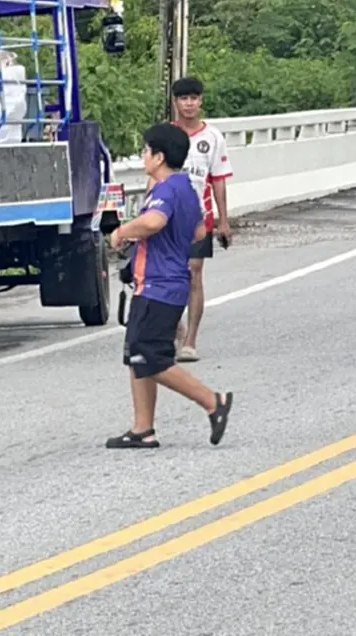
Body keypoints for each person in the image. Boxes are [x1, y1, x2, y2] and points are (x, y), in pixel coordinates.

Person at [106, 123, 233, 449]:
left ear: (159, 157)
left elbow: (153, 222)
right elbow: (199, 233)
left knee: (150, 357)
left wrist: (123, 233)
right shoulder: (187, 190)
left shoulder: (165, 191)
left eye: (146, 151)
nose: (143, 157)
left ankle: (211, 401)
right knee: (136, 353)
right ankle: (142, 429)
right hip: (167, 282)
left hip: (158, 285)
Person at [170, 76, 233, 362]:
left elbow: (218, 180)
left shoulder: (213, 138)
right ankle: (174, 327)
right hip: (168, 217)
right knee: (170, 276)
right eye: (184, 99)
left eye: (194, 98)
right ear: (176, 102)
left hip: (199, 218)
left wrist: (223, 221)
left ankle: (191, 340)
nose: (189, 104)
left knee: (194, 273)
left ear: (201, 101)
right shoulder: (165, 135)